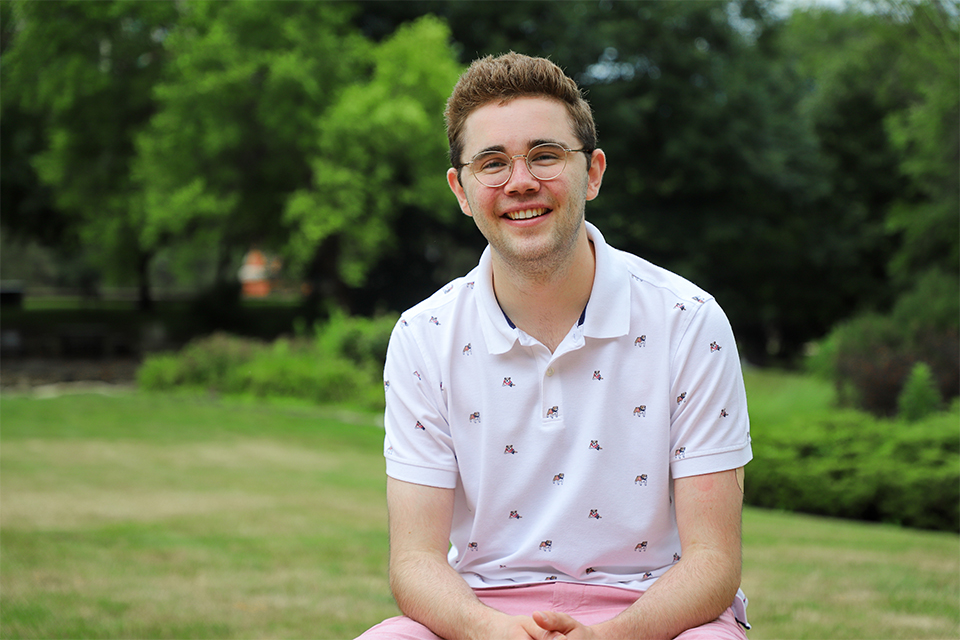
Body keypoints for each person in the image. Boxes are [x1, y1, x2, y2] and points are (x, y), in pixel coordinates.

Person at [359, 52, 752, 640]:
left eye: (545, 155)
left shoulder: (689, 321)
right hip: (484, 610)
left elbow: (713, 564)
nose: (520, 181)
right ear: (461, 189)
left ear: (592, 173)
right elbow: (414, 561)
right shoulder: (424, 336)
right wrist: (489, 630)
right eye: (492, 163)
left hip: (654, 613)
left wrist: (612, 638)